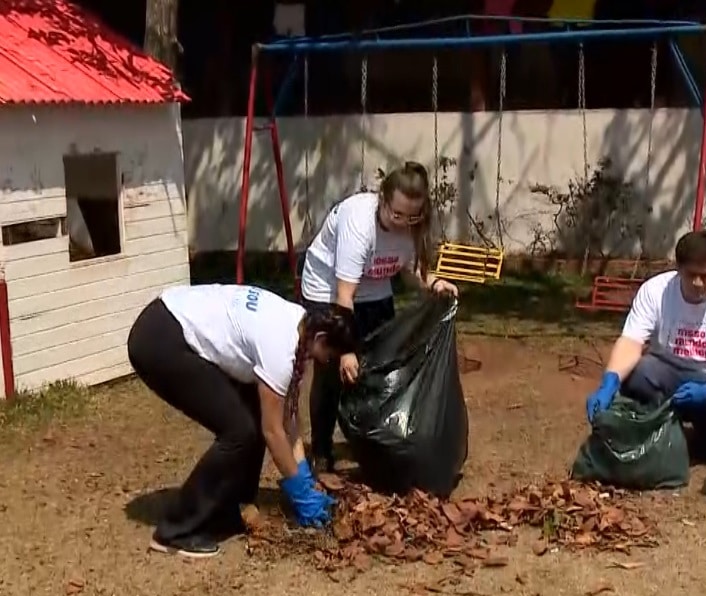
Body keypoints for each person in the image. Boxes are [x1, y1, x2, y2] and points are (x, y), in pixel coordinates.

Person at [127, 283, 356, 558]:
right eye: (330, 354)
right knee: (239, 431)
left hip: (170, 323)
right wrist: (299, 491)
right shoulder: (280, 346)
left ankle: (229, 508)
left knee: (251, 416)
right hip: (160, 338)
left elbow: (289, 417)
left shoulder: (300, 327)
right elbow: (274, 432)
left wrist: (304, 475)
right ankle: (175, 531)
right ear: (320, 337)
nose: (328, 361)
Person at [300, 161, 459, 472]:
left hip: (374, 287)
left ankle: (372, 441)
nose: (402, 222)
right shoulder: (359, 224)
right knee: (333, 370)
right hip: (328, 290)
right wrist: (345, 349)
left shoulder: (412, 225)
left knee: (382, 364)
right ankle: (321, 449)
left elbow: (411, 266)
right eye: (395, 214)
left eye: (411, 216)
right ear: (382, 200)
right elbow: (344, 297)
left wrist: (435, 283)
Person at [585, 231, 706, 463]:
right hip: (667, 369)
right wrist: (610, 382)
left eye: (705, 276)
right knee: (635, 374)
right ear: (679, 269)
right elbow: (631, 341)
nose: (698, 283)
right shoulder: (656, 290)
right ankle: (658, 430)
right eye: (691, 275)